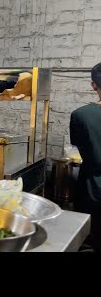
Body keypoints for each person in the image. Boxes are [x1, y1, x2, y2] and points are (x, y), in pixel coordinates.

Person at [70, 62, 101, 252]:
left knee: (89, 238)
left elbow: (80, 148)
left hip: (92, 189)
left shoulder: (80, 115)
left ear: (93, 85)